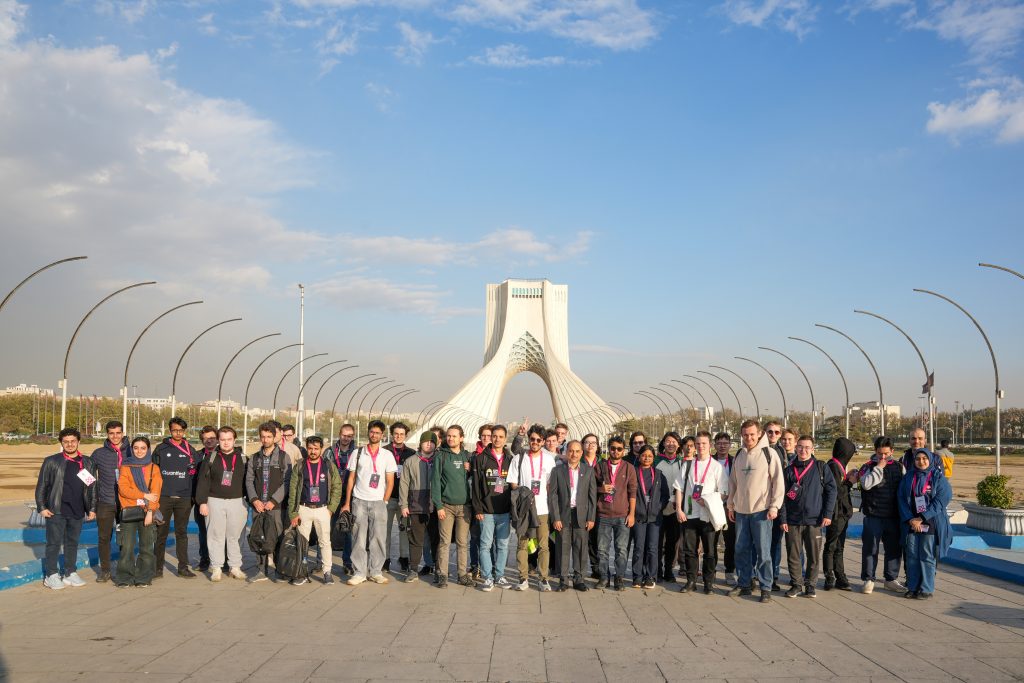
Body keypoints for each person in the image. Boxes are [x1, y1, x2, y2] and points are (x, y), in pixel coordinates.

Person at [727, 420, 784, 604]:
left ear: (759, 434)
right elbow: (733, 482)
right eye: (745, 434)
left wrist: (774, 506)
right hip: (741, 511)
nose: (749, 438)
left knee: (763, 552)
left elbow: (778, 482)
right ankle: (744, 583)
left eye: (752, 434)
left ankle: (765, 587)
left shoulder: (769, 454)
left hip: (762, 511)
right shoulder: (739, 454)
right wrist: (730, 504)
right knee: (741, 549)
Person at [35, 427, 97, 590]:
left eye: (73, 441)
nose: (70, 444)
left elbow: (92, 487)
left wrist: (92, 508)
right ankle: (51, 575)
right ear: (61, 443)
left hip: (77, 510)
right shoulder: (51, 461)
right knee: (53, 543)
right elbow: (42, 485)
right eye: (66, 442)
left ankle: (70, 573)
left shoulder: (87, 462)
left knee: (72, 543)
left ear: (78, 441)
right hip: (56, 509)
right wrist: (41, 506)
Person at [340, 420, 397, 586]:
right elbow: (351, 479)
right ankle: (359, 572)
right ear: (368, 433)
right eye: (372, 432)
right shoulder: (357, 453)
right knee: (358, 538)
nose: (374, 435)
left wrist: (384, 500)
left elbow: (390, 481)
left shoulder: (387, 455)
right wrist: (347, 503)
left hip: (378, 502)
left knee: (378, 538)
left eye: (377, 433)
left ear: (382, 435)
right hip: (359, 501)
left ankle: (376, 571)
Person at [778, 436, 836, 598]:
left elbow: (832, 491)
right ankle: (796, 584)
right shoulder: (789, 470)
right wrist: (783, 519)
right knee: (793, 555)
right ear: (796, 448)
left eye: (807, 447)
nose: (803, 450)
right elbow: (781, 497)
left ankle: (810, 585)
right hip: (793, 520)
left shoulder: (821, 467)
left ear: (812, 449)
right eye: (800, 447)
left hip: (814, 520)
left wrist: (828, 514)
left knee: (813, 555)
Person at [675, 431, 728, 594]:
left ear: (710, 445)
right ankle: (691, 581)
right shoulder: (688, 465)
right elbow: (679, 488)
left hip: (708, 515)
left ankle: (708, 582)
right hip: (690, 514)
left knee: (710, 551)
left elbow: (724, 492)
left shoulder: (717, 467)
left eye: (704, 443)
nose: (700, 446)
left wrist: (708, 500)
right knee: (690, 550)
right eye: (697, 444)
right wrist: (679, 509)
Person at [853, 436, 906, 595]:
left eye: (886, 454)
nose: (883, 457)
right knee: (870, 548)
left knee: (894, 549)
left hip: (893, 516)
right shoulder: (868, 467)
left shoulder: (899, 467)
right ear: (875, 451)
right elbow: (866, 485)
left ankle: (891, 579)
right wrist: (879, 468)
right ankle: (869, 579)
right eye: (879, 453)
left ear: (892, 451)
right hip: (873, 515)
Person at [508, 425, 557, 591]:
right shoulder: (519, 458)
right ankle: (523, 578)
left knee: (544, 545)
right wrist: (524, 494)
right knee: (522, 544)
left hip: (542, 509)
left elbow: (551, 485)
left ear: (543, 441)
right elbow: (513, 482)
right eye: (532, 439)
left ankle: (543, 579)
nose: (535, 442)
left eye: (538, 440)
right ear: (529, 439)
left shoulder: (549, 460)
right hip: (524, 509)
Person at [288, 435, 343, 585]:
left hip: (323, 509)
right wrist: (293, 513)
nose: (313, 451)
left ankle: (327, 572)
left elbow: (337, 487)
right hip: (303, 508)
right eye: (310, 448)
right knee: (302, 542)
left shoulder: (328, 465)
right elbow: (293, 490)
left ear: (321, 449)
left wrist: (331, 508)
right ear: (306, 448)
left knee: (325, 542)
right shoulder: (300, 466)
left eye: (316, 449)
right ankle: (302, 571)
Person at [898, 449, 952, 599]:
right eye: (918, 459)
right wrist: (910, 518)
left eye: (924, 458)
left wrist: (922, 517)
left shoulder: (938, 477)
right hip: (911, 523)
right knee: (912, 555)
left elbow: (941, 500)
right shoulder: (909, 477)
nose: (921, 461)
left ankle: (926, 589)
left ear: (930, 460)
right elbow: (901, 498)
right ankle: (913, 587)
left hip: (930, 522)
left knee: (927, 555)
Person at [196, 426, 247, 582]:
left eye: (229, 439)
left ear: (234, 440)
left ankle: (235, 566)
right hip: (214, 501)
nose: (226, 443)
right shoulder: (211, 458)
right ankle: (216, 567)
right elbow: (203, 481)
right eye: (223, 439)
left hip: (237, 502)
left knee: (235, 536)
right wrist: (202, 502)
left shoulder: (243, 459)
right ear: (218, 440)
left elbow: (249, 481)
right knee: (215, 536)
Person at [152, 417, 199, 579]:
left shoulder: (190, 450)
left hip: (184, 498)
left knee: (181, 533)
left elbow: (196, 473)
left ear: (184, 431)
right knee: (161, 533)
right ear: (170, 430)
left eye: (180, 430)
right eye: (174, 430)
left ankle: (183, 568)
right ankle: (157, 568)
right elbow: (153, 473)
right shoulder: (160, 449)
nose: (177, 433)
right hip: (164, 498)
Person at [548, 440, 596, 591]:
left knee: (580, 547)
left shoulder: (588, 471)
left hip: (581, 515)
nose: (574, 454)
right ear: (566, 452)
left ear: (581, 453)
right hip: (564, 514)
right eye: (571, 451)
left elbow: (592, 496)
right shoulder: (557, 471)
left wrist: (591, 517)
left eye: (577, 451)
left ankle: (579, 579)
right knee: (562, 547)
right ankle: (563, 580)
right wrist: (555, 517)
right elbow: (553, 496)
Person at [245, 422, 291, 582]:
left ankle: (280, 570)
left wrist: (273, 500)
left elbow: (287, 482)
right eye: (263, 437)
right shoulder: (254, 458)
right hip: (258, 506)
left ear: (274, 437)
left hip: (276, 507)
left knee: (278, 537)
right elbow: (249, 481)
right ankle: (261, 570)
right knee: (260, 538)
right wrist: (254, 500)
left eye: (269, 436)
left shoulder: (284, 457)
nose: (265, 440)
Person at [115, 436, 163, 587]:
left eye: (143, 448)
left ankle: (144, 577)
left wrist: (150, 512)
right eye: (136, 448)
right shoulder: (125, 467)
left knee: (147, 548)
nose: (139, 451)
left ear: (148, 450)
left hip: (147, 512)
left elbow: (155, 492)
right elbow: (123, 490)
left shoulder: (154, 468)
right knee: (126, 547)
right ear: (131, 449)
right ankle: (124, 577)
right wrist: (143, 495)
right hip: (128, 511)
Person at [472, 423, 514, 591]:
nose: (497, 439)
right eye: (494, 436)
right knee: (485, 545)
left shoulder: (510, 459)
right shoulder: (481, 458)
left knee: (503, 546)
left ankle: (500, 576)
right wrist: (478, 508)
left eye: (500, 437)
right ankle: (488, 577)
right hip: (487, 510)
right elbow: (475, 486)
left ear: (505, 439)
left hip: (504, 511)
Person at [432, 425, 473, 588]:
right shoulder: (441, 456)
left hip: (464, 507)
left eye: (454, 436)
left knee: (462, 542)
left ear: (461, 438)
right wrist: (438, 506)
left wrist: (470, 470)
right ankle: (442, 574)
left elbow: (473, 480)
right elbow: (435, 482)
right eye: (449, 436)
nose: (451, 438)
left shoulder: (467, 456)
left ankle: (462, 574)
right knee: (444, 542)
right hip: (446, 507)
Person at [594, 435, 637, 591]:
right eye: (613, 448)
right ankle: (604, 577)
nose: (616, 451)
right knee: (602, 549)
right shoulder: (600, 466)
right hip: (603, 515)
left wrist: (631, 514)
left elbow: (633, 492)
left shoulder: (629, 468)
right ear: (609, 449)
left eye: (619, 449)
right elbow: (591, 487)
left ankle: (619, 577)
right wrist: (601, 489)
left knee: (621, 549)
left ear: (623, 450)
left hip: (622, 515)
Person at [90, 420, 128, 583]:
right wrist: (95, 493)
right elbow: (87, 475)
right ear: (107, 434)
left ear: (123, 433)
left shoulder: (133, 451)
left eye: (118, 433)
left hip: (127, 502)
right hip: (105, 502)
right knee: (104, 538)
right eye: (111, 433)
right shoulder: (98, 453)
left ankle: (124, 569)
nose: (115, 436)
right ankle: (105, 571)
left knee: (125, 538)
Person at [401, 431, 440, 582]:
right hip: (416, 505)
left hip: (435, 506)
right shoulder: (410, 461)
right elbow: (404, 484)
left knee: (436, 540)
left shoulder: (440, 459)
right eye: (426, 441)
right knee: (416, 540)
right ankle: (413, 570)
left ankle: (438, 569)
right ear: (421, 443)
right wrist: (404, 504)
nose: (429, 444)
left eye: (432, 442)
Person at [631, 444, 669, 589]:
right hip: (639, 516)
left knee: (652, 548)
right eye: (644, 455)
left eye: (650, 456)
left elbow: (665, 495)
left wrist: (658, 507)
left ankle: (650, 577)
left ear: (654, 458)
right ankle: (637, 577)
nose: (646, 458)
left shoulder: (659, 474)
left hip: (655, 517)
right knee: (639, 547)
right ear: (639, 456)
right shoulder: (633, 472)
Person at [823, 437, 856, 591]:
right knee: (832, 545)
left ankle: (839, 576)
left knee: (839, 546)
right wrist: (850, 482)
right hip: (836, 513)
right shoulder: (833, 466)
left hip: (842, 513)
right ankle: (830, 576)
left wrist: (847, 478)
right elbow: (835, 492)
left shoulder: (837, 466)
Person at [324, 423, 357, 574]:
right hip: (332, 495)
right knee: (326, 529)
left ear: (353, 436)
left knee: (348, 530)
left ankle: (347, 562)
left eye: (349, 436)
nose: (346, 438)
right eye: (344, 435)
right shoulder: (329, 452)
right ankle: (323, 561)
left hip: (350, 495)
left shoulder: (357, 453)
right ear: (339, 434)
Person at [385, 421, 415, 572]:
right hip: (387, 497)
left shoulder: (411, 453)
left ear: (405, 436)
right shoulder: (384, 451)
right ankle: (385, 559)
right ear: (392, 435)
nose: (398, 436)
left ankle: (404, 558)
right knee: (385, 530)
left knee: (404, 530)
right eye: (396, 434)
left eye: (402, 434)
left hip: (404, 499)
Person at [655, 431, 685, 582]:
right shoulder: (656, 461)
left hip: (675, 509)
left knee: (673, 543)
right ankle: (657, 570)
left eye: (674, 442)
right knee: (658, 542)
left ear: (678, 445)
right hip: (659, 509)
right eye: (668, 441)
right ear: (663, 443)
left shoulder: (682, 463)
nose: (671, 444)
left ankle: (669, 570)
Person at [193, 426, 219, 572]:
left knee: (219, 532)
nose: (209, 441)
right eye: (205, 439)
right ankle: (205, 559)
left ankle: (221, 560)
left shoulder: (223, 454)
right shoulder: (197, 456)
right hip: (201, 500)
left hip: (218, 498)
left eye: (212, 438)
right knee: (203, 531)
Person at [713, 432, 737, 586]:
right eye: (719, 443)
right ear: (714, 445)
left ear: (730, 445)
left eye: (725, 443)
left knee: (730, 541)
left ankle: (729, 571)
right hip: (713, 505)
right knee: (712, 540)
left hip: (730, 506)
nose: (722, 446)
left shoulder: (735, 461)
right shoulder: (709, 461)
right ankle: (711, 571)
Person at [581, 433, 602, 577]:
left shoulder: (603, 463)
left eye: (593, 443)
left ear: (598, 446)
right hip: (582, 506)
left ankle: (596, 568)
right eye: (587, 442)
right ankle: (580, 569)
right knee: (583, 539)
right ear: (583, 445)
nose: (590, 445)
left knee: (597, 539)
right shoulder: (578, 462)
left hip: (599, 506)